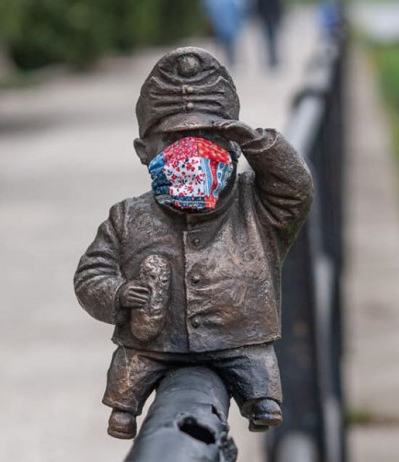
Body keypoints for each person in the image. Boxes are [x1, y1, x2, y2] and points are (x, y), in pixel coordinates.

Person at [74, 48, 313, 439]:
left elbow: (297, 190)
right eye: (173, 141)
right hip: (152, 342)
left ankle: (261, 401)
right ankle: (124, 410)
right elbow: (90, 274)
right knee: (130, 369)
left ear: (231, 148)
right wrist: (118, 293)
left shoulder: (256, 204)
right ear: (143, 152)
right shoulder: (127, 216)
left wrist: (254, 141)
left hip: (238, 336)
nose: (191, 153)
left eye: (207, 139)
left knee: (256, 370)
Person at [203, 0, 245, 66]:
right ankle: (228, 60)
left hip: (223, 26)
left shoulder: (214, 2)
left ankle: (227, 60)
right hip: (224, 26)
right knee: (226, 43)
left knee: (225, 43)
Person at [254, 0, 284, 69]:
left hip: (268, 20)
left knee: (271, 41)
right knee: (271, 41)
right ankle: (272, 59)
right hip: (268, 20)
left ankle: (273, 59)